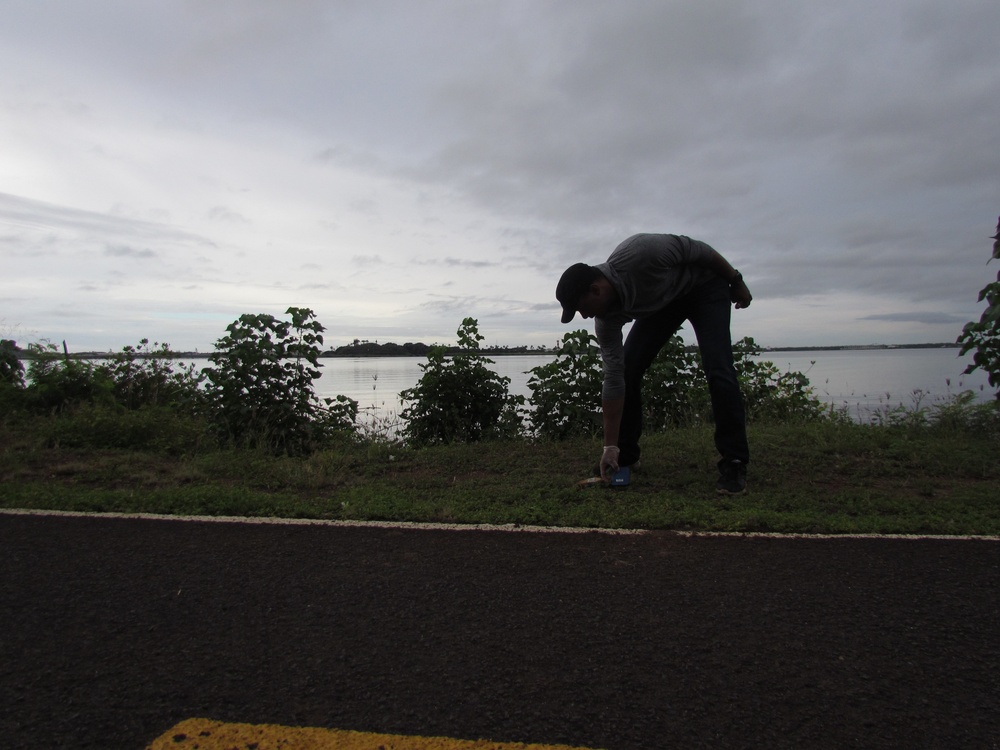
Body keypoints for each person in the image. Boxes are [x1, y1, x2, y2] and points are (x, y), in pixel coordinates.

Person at [555, 233, 753, 494]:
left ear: (596, 290)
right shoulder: (606, 320)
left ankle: (734, 461)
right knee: (628, 369)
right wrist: (609, 447)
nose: (584, 316)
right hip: (664, 303)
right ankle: (623, 455)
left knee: (719, 368)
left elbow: (701, 251)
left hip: (704, 288)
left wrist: (735, 280)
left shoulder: (642, 253)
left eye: (582, 308)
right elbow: (613, 378)